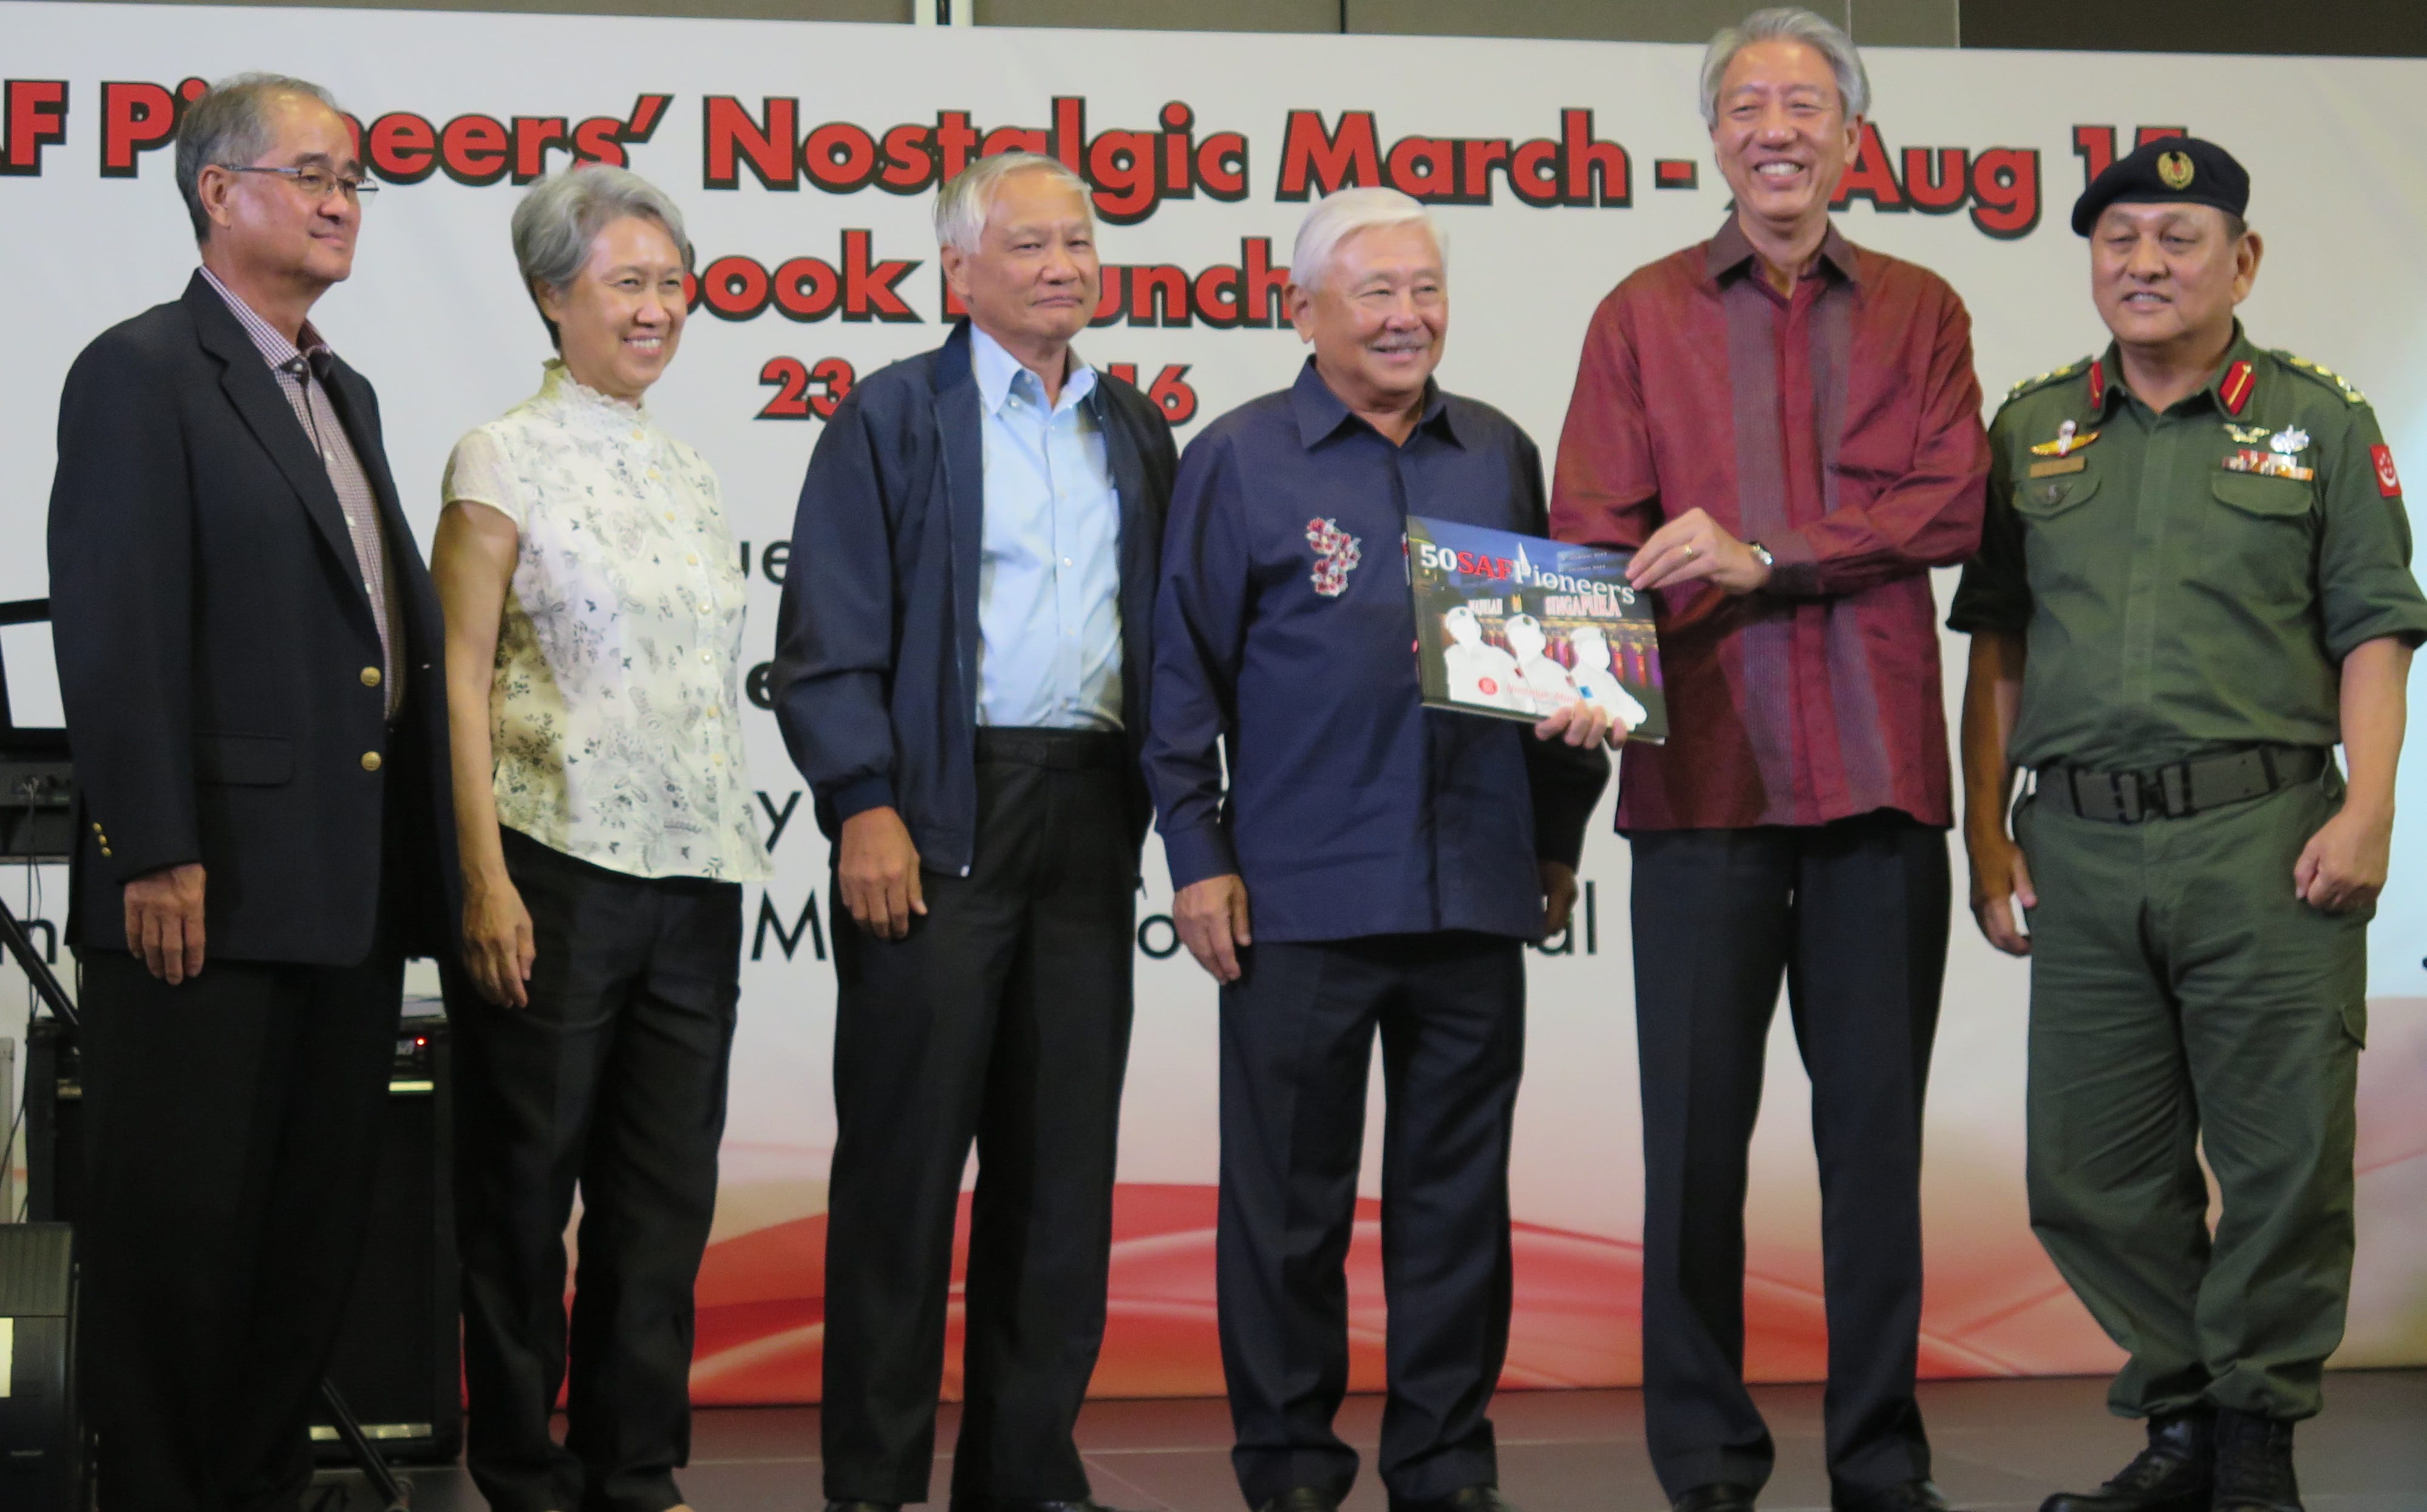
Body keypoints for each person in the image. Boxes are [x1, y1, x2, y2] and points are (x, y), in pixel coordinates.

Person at [1548, 10, 1990, 1511]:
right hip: (1702, 792)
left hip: (1877, 791)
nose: (1778, 127)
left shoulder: (1924, 308)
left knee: (1874, 1149)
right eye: (1750, 105)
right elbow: (1593, 534)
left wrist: (1768, 553)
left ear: (1852, 138)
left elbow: (1951, 507)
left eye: (1808, 104)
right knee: (1694, 1152)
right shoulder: (1641, 312)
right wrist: (1578, 677)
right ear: (1717, 137)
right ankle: (1709, 1463)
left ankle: (1879, 1459)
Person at [1949, 138, 2427, 1512]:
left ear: (2242, 260)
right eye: (2119, 240)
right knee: (2090, 1172)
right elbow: (1997, 650)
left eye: (2178, 237)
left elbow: (2376, 632)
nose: (2145, 264)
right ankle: (2181, 1421)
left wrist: (2375, 813)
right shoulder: (2034, 424)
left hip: (2268, 837)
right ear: (2091, 262)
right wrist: (1985, 837)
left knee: (2284, 1162)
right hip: (2083, 847)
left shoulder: (2315, 420)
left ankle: (2251, 1446)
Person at [1148, 186, 1613, 1512]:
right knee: (1287, 1218)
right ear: (1302, 310)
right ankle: (1291, 1473)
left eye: (1426, 290)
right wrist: (1197, 852)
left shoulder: (1501, 454)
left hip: (1476, 886)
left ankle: (1446, 1473)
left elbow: (1553, 674)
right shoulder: (1238, 460)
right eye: (1375, 294)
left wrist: (1558, 829)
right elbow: (1179, 681)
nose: (1408, 317)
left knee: (1456, 1215)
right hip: (1299, 899)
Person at [44, 72, 455, 1511]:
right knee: (181, 1242)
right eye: (313, 171)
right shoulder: (142, 370)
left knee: (307, 1240)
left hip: (343, 898)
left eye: (358, 176)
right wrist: (153, 845)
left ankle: (259, 1484)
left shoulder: (345, 388)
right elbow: (117, 628)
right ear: (220, 193)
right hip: (201, 892)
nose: (345, 197)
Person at [769, 150, 1178, 1512]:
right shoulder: (893, 418)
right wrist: (863, 803)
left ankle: (1027, 1480)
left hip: (1087, 818)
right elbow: (823, 641)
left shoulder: (1132, 428)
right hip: (934, 815)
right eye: (1030, 248)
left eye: (1080, 244)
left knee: (1060, 1187)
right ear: (958, 272)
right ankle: (872, 1489)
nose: (1064, 267)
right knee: (900, 1181)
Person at [431, 165, 768, 1512]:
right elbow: (456, 677)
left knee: (661, 1197)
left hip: (699, 876)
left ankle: (636, 1464)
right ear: (550, 296)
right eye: (626, 281)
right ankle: (521, 1463)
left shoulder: (687, 469)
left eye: (671, 282)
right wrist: (482, 878)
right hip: (551, 864)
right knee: (524, 1194)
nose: (656, 308)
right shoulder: (499, 453)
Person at [1442, 604, 1528, 710]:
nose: (1464, 631)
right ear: (1453, 634)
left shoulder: (1501, 657)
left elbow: (1524, 696)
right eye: (1458, 628)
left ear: (1478, 628)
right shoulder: (1451, 655)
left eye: (1467, 626)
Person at [1567, 624, 1652, 731]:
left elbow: (1632, 705)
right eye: (1595, 648)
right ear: (1579, 650)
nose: (1602, 652)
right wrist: (1626, 717)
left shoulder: (1608, 677)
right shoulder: (1578, 678)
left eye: (1603, 647)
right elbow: (1595, 708)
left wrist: (1634, 715)